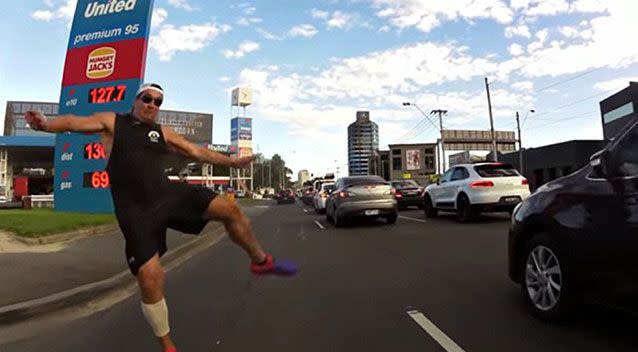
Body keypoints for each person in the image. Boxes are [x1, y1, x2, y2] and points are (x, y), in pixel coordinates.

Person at [25, 83, 297, 352]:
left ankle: (261, 262)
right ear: (135, 100)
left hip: (168, 194)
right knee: (150, 276)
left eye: (157, 102)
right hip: (135, 211)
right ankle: (167, 346)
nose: (151, 105)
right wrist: (46, 124)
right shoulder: (112, 122)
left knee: (231, 210)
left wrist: (232, 162)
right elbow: (75, 121)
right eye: (147, 99)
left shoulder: (161, 132)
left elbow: (197, 151)